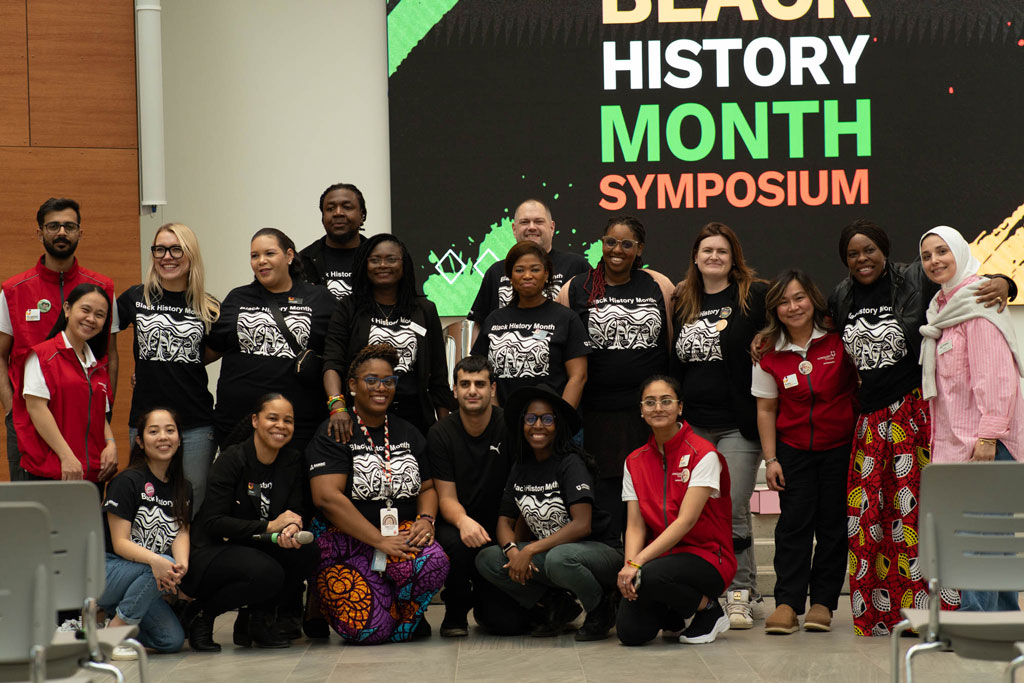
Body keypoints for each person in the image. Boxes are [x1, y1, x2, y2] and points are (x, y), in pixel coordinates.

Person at [827, 219, 1015, 635]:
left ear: (886, 251)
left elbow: (972, 286)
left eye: (870, 250)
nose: (863, 259)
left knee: (929, 524)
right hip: (873, 423)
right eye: (853, 253)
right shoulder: (840, 296)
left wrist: (1005, 281)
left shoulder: (918, 281)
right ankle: (885, 617)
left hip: (915, 418)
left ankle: (966, 622)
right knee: (872, 521)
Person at [307, 344, 450, 644]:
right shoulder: (336, 430)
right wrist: (379, 540)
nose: (381, 388)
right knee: (368, 631)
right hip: (346, 544)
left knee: (435, 560)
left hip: (399, 534)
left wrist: (426, 519)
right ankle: (390, 614)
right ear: (353, 385)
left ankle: (404, 612)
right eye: (371, 380)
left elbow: (427, 487)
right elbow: (326, 498)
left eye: (388, 381)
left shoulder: (407, 431)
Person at [918, 225, 1023, 612]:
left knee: (980, 540)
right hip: (960, 444)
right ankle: (1005, 622)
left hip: (985, 445)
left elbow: (995, 378)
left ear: (961, 252)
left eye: (942, 251)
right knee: (989, 540)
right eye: (927, 255)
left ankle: (976, 623)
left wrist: (988, 438)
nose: (934, 261)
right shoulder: (942, 308)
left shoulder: (977, 301)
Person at [671, 222, 768, 629]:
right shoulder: (682, 301)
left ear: (734, 258)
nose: (714, 256)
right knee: (699, 511)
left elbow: (791, 321)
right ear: (695, 256)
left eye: (722, 251)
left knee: (732, 509)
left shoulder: (754, 295)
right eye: (707, 250)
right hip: (693, 428)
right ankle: (711, 587)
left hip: (737, 426)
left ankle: (740, 594)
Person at [752, 270, 858, 635]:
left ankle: (823, 604)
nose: (792, 307)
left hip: (840, 449)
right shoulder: (767, 351)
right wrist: (771, 460)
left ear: (812, 299)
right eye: (783, 302)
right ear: (774, 309)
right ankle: (786, 604)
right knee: (793, 527)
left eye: (799, 298)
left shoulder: (838, 338)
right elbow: (766, 409)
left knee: (832, 526)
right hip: (793, 451)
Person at [475, 384, 623, 641]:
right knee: (488, 558)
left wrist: (530, 550)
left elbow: (582, 525)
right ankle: (558, 605)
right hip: (555, 554)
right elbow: (504, 521)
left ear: (558, 424)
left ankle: (601, 607)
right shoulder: (520, 467)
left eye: (547, 419)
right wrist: (513, 550)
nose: (538, 426)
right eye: (531, 418)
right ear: (522, 424)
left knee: (559, 558)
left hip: (598, 553)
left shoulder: (570, 463)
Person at [559, 214, 673, 539]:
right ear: (602, 243)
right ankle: (611, 580)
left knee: (650, 498)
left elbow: (671, 343)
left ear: (639, 249)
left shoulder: (658, 284)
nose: (617, 250)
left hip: (650, 415)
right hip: (598, 416)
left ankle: (649, 578)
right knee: (607, 503)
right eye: (611, 242)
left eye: (626, 244)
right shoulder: (576, 288)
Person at [181, 394, 316, 651]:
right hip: (214, 549)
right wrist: (270, 526)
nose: (281, 426)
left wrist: (292, 527)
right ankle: (202, 615)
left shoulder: (292, 460)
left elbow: (295, 510)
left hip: (261, 545)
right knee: (267, 571)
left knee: (306, 552)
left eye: (288, 420)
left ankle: (258, 622)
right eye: (272, 418)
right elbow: (213, 522)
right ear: (255, 420)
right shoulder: (232, 460)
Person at [1, 197, 117, 481]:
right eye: (53, 226)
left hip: (85, 420)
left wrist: (103, 415)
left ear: (80, 232)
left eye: (69, 226)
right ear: (40, 232)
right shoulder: (13, 290)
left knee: (83, 512)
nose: (61, 232)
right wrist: (9, 409)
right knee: (32, 510)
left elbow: (110, 356)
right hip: (28, 421)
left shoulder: (102, 289)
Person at [616, 375, 737, 646]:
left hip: (707, 557)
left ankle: (709, 610)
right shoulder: (633, 461)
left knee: (654, 574)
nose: (658, 408)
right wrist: (629, 566)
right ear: (641, 410)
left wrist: (639, 563)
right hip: (659, 560)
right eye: (650, 402)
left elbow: (686, 521)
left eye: (666, 401)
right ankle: (673, 611)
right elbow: (635, 525)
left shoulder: (703, 454)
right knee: (630, 633)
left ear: (680, 407)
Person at [116, 223, 220, 513]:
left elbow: (214, 349)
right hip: (145, 417)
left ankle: (188, 558)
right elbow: (101, 333)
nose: (167, 256)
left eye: (176, 249)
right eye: (160, 249)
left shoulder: (208, 306)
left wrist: (174, 360)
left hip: (195, 422)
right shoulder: (136, 297)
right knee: (143, 496)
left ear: (190, 254)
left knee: (193, 496)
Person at [429, 355, 531, 637]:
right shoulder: (440, 433)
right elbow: (445, 497)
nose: (472, 390)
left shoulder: (511, 426)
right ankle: (456, 610)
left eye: (479, 384)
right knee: (456, 542)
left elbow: (523, 493)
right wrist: (464, 522)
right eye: (465, 384)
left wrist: (514, 542)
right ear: (455, 390)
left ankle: (492, 600)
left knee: (508, 624)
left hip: (503, 525)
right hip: (460, 525)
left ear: (493, 389)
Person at [207, 228, 334, 451]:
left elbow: (336, 354)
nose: (261, 261)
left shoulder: (319, 298)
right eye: (254, 256)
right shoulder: (237, 298)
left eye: (270, 253)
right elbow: (211, 348)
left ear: (289, 256)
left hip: (298, 424)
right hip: (238, 423)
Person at [321, 233, 453, 439]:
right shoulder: (349, 308)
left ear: (404, 264)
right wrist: (337, 407)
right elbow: (332, 362)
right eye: (375, 260)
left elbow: (438, 374)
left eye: (391, 259)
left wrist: (445, 428)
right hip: (362, 414)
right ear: (365, 265)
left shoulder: (424, 309)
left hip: (414, 416)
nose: (383, 265)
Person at [99, 407, 191, 658]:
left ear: (179, 438)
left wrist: (181, 564)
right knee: (162, 564)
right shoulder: (126, 481)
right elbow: (119, 544)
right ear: (140, 441)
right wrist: (161, 562)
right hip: (107, 571)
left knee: (171, 640)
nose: (163, 437)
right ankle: (111, 636)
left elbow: (181, 531)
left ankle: (109, 618)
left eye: (170, 430)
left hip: (145, 576)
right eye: (154, 431)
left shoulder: (183, 487)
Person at [17, 283, 117, 483]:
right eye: (85, 310)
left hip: (91, 474)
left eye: (100, 315)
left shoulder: (97, 364)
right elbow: (36, 408)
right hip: (53, 472)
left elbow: (99, 414)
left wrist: (111, 443)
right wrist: (66, 456)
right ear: (67, 309)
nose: (91, 319)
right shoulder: (43, 356)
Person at [471, 241, 592, 407]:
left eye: (535, 269)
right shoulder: (494, 319)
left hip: (552, 422)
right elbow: (481, 374)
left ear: (546, 274)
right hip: (503, 422)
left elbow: (579, 376)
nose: (527, 275)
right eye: (519, 270)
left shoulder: (566, 318)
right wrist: (496, 417)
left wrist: (561, 418)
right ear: (510, 277)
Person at [467, 198, 589, 327]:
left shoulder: (576, 265)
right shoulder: (496, 271)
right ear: (514, 229)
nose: (531, 227)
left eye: (539, 221)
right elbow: (479, 323)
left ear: (552, 227)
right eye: (525, 222)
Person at [299, 182, 368, 299]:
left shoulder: (377, 258)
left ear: (362, 215)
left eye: (347, 207)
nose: (338, 213)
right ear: (323, 217)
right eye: (330, 208)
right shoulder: (303, 260)